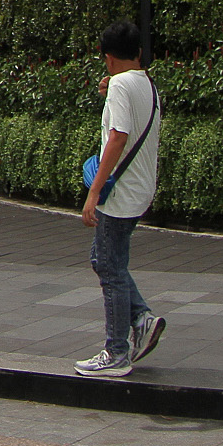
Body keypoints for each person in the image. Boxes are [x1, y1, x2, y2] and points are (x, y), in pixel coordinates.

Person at [77, 19, 166, 379]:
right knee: (103, 258)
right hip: (141, 189)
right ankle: (142, 318)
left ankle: (116, 351)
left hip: (120, 192)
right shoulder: (146, 83)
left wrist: (94, 191)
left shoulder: (119, 84)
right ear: (139, 53)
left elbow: (117, 137)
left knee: (110, 269)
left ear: (109, 58)